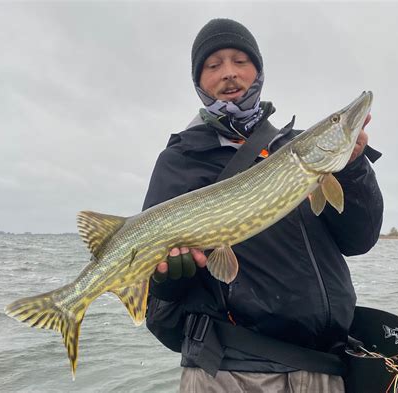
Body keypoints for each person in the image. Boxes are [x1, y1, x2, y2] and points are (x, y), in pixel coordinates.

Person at [142, 18, 383, 393]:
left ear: (258, 70)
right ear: (198, 80)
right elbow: (159, 302)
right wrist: (169, 278)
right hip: (230, 373)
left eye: (240, 60)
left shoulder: (299, 149)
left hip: (324, 367)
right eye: (213, 64)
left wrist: (352, 167)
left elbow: (360, 239)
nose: (229, 73)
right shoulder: (181, 159)